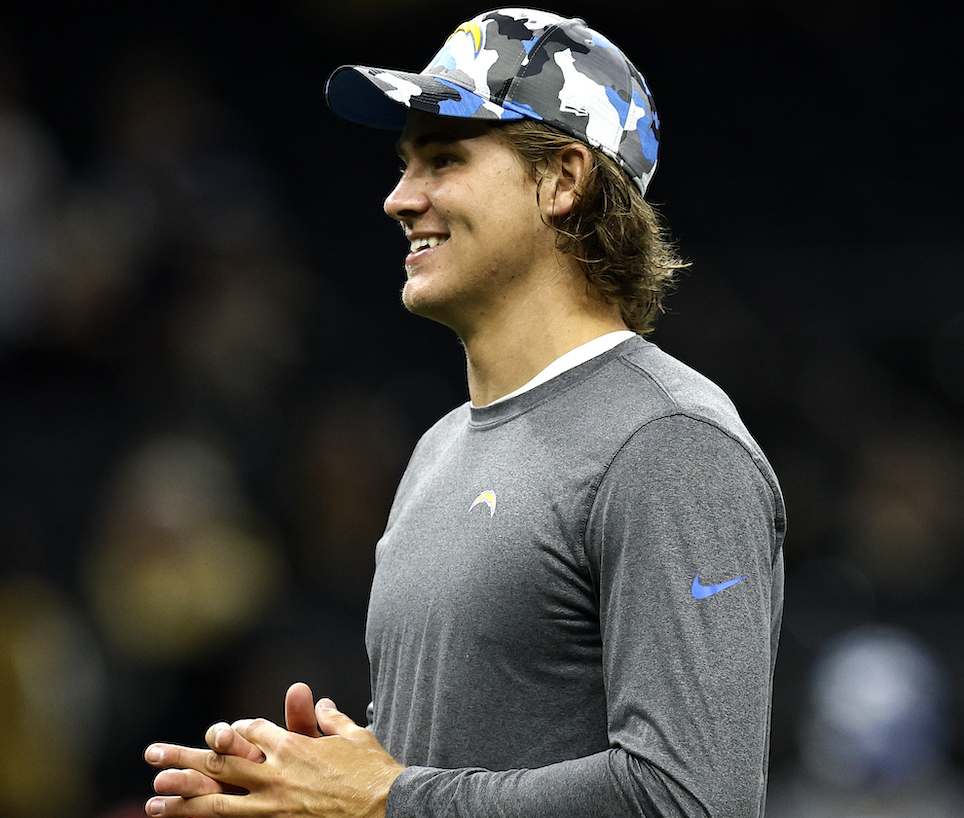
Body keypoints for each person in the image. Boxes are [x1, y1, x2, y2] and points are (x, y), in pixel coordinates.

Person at [143, 7, 785, 818]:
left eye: (443, 159)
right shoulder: (439, 448)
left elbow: (695, 798)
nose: (398, 199)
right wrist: (305, 792)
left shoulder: (668, 443)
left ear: (563, 178)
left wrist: (384, 799)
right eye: (405, 164)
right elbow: (444, 779)